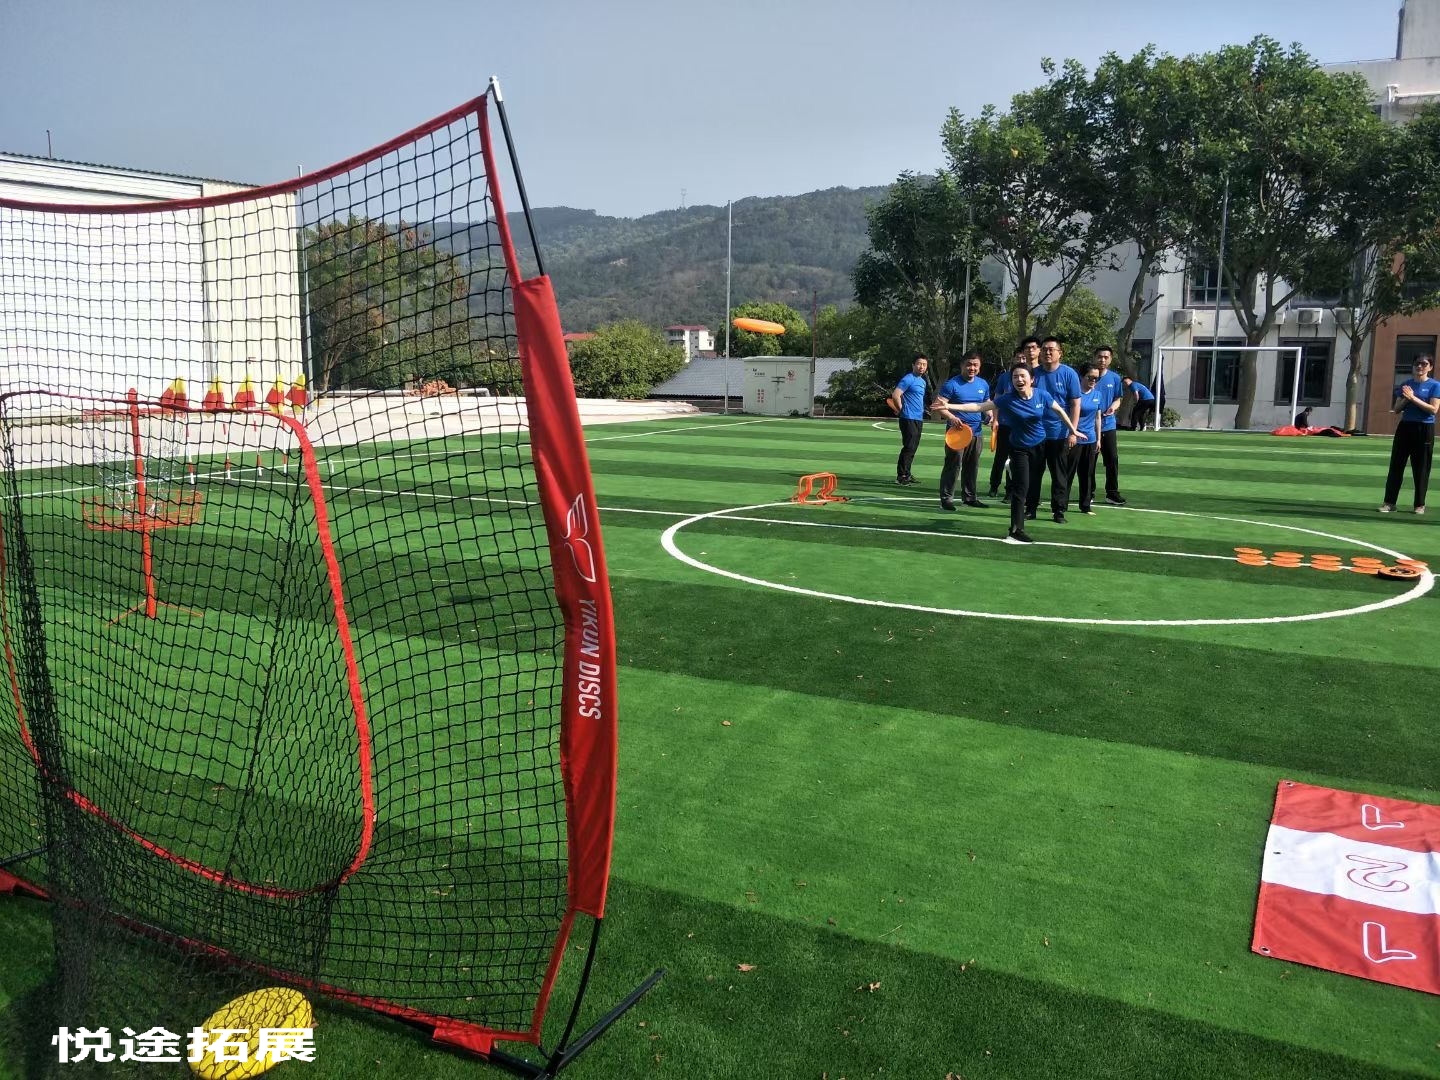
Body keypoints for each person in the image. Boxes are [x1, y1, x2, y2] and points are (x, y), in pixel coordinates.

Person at [935, 361, 1084, 543]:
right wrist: (949, 406)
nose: (1018, 380)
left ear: (1032, 379)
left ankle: (1036, 509)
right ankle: (1016, 529)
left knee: (1033, 482)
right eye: (1015, 377)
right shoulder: (1008, 399)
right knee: (1020, 488)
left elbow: (1060, 410)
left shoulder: (1042, 395)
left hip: (1040, 445)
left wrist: (1073, 430)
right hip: (1019, 449)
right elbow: (979, 407)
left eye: (1022, 376)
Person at [1379, 354, 1440, 514]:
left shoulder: (1435, 385)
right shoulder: (1406, 385)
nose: (1419, 366)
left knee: (1421, 468)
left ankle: (1419, 505)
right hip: (1405, 427)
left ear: (1430, 367)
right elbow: (1396, 409)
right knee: (1396, 465)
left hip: (1424, 429)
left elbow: (1433, 409)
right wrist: (1406, 399)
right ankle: (1389, 503)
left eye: (1424, 364)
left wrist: (1412, 397)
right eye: (1417, 363)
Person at [1031, 337, 1081, 524]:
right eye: (1044, 349)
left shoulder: (1069, 374)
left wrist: (1072, 431)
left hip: (1058, 434)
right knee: (1033, 473)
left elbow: (1075, 404)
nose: (1047, 352)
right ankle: (1030, 508)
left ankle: (1059, 511)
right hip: (1035, 434)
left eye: (1051, 349)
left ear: (1060, 353)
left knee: (1059, 475)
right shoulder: (1033, 374)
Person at [934, 351, 989, 510]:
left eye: (975, 365)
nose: (972, 368)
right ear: (962, 366)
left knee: (972, 466)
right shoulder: (952, 384)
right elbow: (938, 406)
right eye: (968, 365)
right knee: (953, 465)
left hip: (976, 433)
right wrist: (951, 417)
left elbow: (986, 403)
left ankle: (970, 498)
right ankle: (946, 499)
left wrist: (990, 415)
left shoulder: (983, 384)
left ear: (979, 366)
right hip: (957, 433)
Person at [986, 344, 1030, 499]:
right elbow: (997, 399)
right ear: (1013, 359)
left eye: (1023, 358)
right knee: (1001, 457)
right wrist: (995, 419)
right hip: (1004, 424)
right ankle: (994, 486)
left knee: (1015, 460)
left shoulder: (1029, 377)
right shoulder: (1005, 377)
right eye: (1018, 357)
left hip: (1020, 426)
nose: (1021, 360)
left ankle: (1010, 491)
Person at [1092, 347, 1127, 505]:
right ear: (1094, 357)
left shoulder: (1114, 378)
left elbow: (1118, 398)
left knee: (1112, 459)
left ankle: (1112, 493)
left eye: (1106, 357)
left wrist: (1113, 406)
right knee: (1089, 462)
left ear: (1111, 359)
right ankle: (1088, 492)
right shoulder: (1087, 376)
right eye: (1100, 356)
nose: (1102, 360)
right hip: (1089, 426)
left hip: (1108, 425)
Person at [1073, 363, 1107, 515]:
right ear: (1082, 376)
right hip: (1074, 439)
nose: (1093, 380)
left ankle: (1085, 505)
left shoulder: (1097, 395)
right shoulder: (1075, 394)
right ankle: (1060, 506)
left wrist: (1098, 439)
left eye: (1096, 378)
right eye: (1090, 377)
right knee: (1067, 473)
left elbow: (1098, 418)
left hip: (1091, 440)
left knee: (1087, 474)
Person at [890, 354, 929, 485]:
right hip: (908, 417)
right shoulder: (908, 379)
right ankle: (901, 476)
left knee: (913, 447)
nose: (922, 367)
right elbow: (895, 395)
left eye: (924, 364)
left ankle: (907, 473)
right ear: (913, 365)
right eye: (919, 364)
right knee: (909, 446)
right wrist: (901, 409)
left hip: (918, 418)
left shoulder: (922, 382)